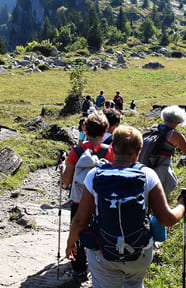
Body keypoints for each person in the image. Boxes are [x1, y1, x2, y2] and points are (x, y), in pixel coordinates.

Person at [65, 125, 186, 288]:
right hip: (139, 254)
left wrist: (70, 243)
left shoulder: (94, 175)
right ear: (139, 151)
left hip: (103, 254)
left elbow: (80, 220)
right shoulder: (148, 175)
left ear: (113, 147)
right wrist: (182, 205)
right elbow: (167, 219)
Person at [60, 112, 114, 283]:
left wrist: (62, 166)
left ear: (84, 129)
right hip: (102, 201)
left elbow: (67, 181)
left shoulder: (76, 152)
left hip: (79, 200)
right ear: (105, 130)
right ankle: (99, 263)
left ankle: (79, 268)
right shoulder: (110, 151)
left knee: (77, 230)